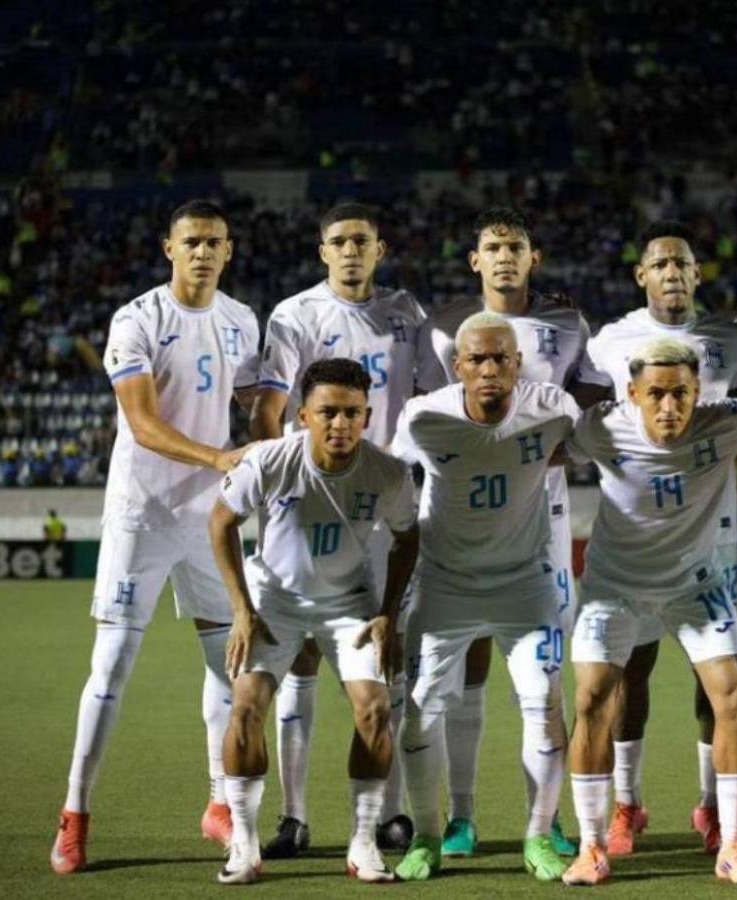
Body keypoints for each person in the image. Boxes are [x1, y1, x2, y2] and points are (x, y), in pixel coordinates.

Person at [50, 199, 259, 875]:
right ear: (169, 248)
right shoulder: (137, 319)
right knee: (110, 668)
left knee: (226, 667)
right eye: (191, 241)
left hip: (212, 518)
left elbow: (262, 404)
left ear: (230, 252)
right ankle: (75, 814)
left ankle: (219, 804)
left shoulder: (240, 321)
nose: (202, 252)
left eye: (214, 243)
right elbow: (141, 424)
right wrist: (221, 457)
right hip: (142, 513)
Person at [562, 338, 737, 886]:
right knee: (590, 698)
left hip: (694, 585)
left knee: (735, 693)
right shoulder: (600, 426)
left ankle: (735, 844)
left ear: (698, 391)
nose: (670, 406)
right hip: (614, 586)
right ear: (633, 393)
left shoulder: (727, 420)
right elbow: (545, 446)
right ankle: (590, 845)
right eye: (657, 394)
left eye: (681, 393)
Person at [249, 201, 426, 857]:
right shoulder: (296, 315)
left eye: (362, 240)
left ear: (380, 248)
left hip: (384, 503)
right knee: (299, 658)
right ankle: (294, 818)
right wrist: (281, 496)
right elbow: (269, 414)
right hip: (313, 502)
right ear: (322, 250)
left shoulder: (408, 315)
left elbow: (430, 404)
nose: (351, 250)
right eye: (339, 241)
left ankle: (389, 814)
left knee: (387, 659)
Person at [571, 220, 737, 855]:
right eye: (660, 263)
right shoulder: (611, 341)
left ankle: (711, 807)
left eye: (683, 262)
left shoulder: (731, 339)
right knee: (630, 671)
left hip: (716, 530)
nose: (672, 271)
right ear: (640, 275)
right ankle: (626, 804)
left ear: (698, 273)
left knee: (719, 682)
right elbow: (588, 423)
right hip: (636, 535)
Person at [416, 206, 591, 857]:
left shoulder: (567, 322)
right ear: (475, 259)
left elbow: (590, 406)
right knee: (466, 663)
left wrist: (555, 454)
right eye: (493, 246)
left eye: (515, 245)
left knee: (545, 675)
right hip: (466, 518)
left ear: (533, 256)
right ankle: (461, 817)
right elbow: (439, 415)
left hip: (542, 519)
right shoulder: (443, 328)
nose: (505, 256)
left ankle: (545, 819)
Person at [209, 358, 419, 884]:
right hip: (275, 602)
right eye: (328, 412)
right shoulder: (270, 462)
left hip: (349, 603)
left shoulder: (388, 473)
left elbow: (408, 537)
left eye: (352, 413)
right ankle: (244, 840)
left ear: (367, 416)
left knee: (375, 711)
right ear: (303, 415)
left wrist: (389, 612)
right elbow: (220, 521)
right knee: (246, 707)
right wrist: (241, 607)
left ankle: (364, 842)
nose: (340, 424)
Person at [391, 312, 578, 882]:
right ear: (458, 366)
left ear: (518, 363)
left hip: (524, 582)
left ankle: (539, 832)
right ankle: (426, 834)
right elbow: (392, 482)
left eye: (502, 358)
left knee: (544, 706)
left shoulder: (554, 409)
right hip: (444, 582)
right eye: (478, 359)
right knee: (418, 715)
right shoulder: (424, 418)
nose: (491, 369)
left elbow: (591, 445)